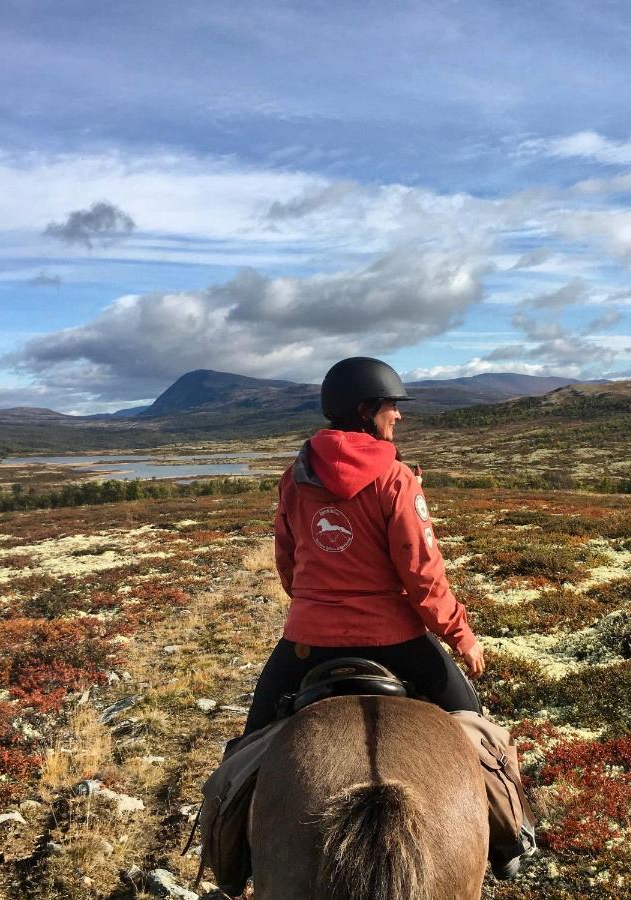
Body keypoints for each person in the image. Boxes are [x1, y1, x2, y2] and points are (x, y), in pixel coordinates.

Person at [242, 356, 535, 880]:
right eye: (391, 406)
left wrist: (316, 602)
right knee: (480, 730)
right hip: (396, 640)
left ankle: (230, 849)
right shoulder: (396, 479)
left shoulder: (294, 478)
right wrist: (460, 635)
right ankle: (511, 842)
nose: (397, 416)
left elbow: (287, 563)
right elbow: (422, 574)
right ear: (365, 410)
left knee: (249, 742)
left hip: (308, 641)